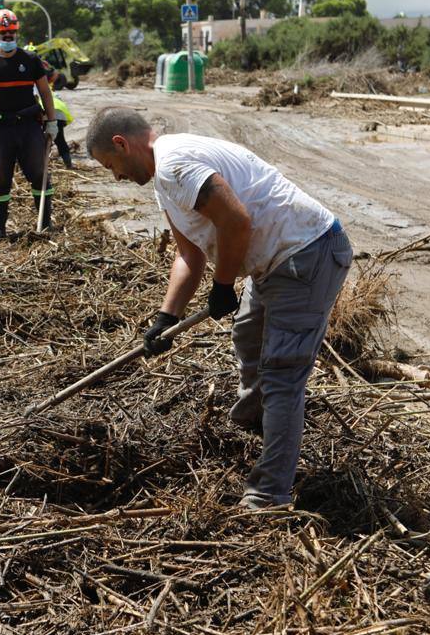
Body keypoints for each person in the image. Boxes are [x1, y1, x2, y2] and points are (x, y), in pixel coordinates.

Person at [85, 107, 353, 510]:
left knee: (282, 372)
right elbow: (189, 256)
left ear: (122, 144)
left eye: (111, 165)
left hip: (306, 253)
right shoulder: (164, 178)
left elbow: (237, 221)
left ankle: (269, 494)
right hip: (276, 259)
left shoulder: (175, 164)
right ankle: (256, 423)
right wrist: (166, 318)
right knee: (248, 335)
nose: (116, 177)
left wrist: (224, 284)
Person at [0, 8, 59, 241]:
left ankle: (44, 225)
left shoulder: (31, 61)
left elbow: (45, 92)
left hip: (29, 127)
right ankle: (0, 229)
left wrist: (52, 122)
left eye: (11, 33)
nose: (8, 37)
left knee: (39, 174)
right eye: (4, 33)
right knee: (1, 178)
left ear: (16, 32)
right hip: (0, 129)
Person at [38, 68, 75, 168]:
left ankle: (42, 165)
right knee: (60, 141)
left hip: (46, 113)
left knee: (44, 142)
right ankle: (69, 165)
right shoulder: (52, 91)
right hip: (58, 115)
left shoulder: (39, 90)